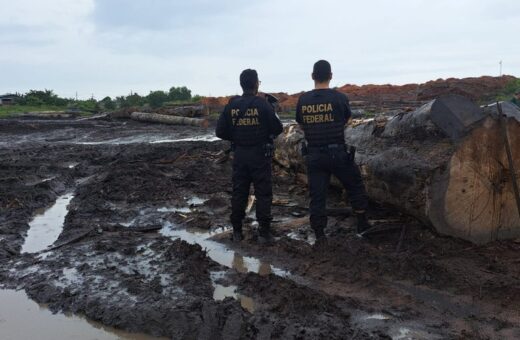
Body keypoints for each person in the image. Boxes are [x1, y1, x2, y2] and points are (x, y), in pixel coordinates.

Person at [295, 60, 370, 242]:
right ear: (331, 76)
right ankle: (362, 223)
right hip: (337, 153)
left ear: (312, 76)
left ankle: (320, 234)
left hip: (314, 155)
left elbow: (301, 124)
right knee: (355, 186)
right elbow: (346, 120)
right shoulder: (340, 98)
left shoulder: (303, 100)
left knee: (317, 195)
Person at [216, 69, 283, 244]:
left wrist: (237, 137)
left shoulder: (231, 105)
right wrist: (273, 110)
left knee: (239, 193)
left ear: (242, 84)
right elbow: (278, 129)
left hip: (239, 155)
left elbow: (220, 131)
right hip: (260, 155)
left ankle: (237, 232)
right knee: (263, 193)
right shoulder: (263, 104)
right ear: (256, 84)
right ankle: (264, 233)